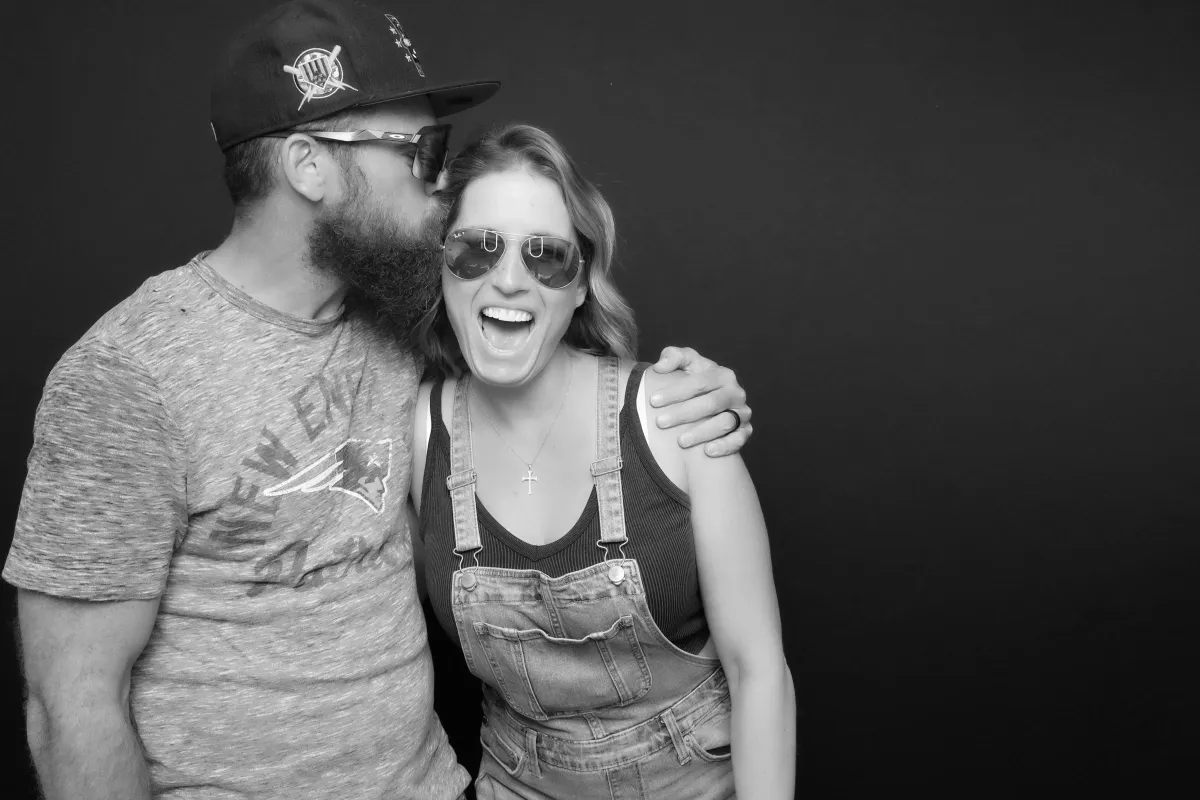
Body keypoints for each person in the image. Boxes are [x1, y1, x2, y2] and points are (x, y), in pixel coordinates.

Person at [3, 2, 755, 799]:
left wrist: (690, 393)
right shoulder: (128, 376)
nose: (440, 183)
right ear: (310, 167)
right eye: (420, 151)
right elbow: (72, 703)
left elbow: (541, 332)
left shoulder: (407, 316)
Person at [406, 124, 794, 799]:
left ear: (581, 283)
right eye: (477, 249)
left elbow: (757, 669)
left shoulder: (676, 417)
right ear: (441, 261)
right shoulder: (416, 433)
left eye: (546, 257)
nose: (508, 280)